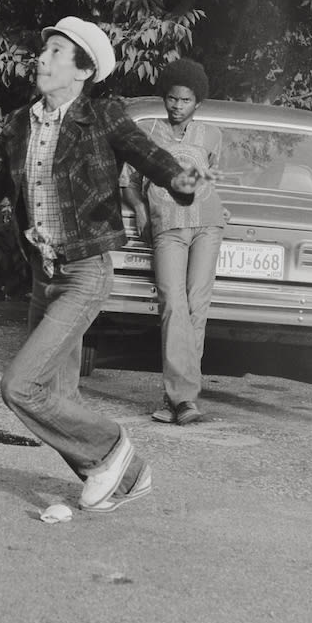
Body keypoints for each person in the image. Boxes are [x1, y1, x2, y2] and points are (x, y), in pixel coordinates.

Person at [0, 18, 208, 513]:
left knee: (20, 386)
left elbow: (148, 155)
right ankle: (119, 476)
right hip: (46, 276)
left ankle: (114, 453)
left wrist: (179, 181)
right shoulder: (19, 125)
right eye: (43, 50)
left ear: (82, 70)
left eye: (56, 52)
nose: (41, 59)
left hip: (86, 272)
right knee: (58, 398)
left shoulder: (102, 115)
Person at [121, 58, 225, 425]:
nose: (177, 106)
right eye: (171, 98)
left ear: (198, 103)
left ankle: (181, 399)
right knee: (172, 305)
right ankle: (179, 399)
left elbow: (211, 180)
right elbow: (129, 181)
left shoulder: (212, 136)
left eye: (185, 100)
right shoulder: (148, 131)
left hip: (207, 227)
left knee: (198, 307)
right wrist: (140, 210)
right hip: (167, 228)